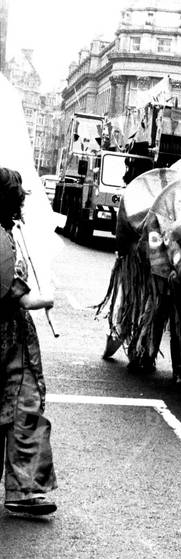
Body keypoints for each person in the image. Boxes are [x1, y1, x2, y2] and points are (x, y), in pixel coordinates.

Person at [0, 168, 57, 516]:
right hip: (8, 339)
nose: (22, 197)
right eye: (18, 193)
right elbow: (19, 297)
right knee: (24, 408)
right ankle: (24, 489)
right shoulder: (1, 239)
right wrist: (45, 298)